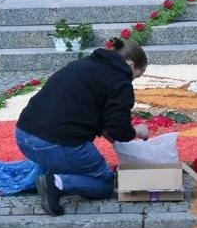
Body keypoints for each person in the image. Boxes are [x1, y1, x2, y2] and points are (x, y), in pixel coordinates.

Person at [15, 37, 149, 216]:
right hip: (55, 142)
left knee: (72, 158)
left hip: (24, 135)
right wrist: (138, 131)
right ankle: (56, 183)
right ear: (131, 64)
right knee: (105, 184)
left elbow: (93, 112)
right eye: (137, 76)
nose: (133, 81)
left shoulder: (85, 64)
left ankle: (52, 171)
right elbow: (118, 128)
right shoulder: (121, 81)